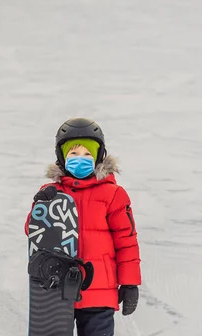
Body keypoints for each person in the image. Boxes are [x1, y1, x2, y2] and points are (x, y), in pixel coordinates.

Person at [26, 118, 141, 336]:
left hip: (99, 292)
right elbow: (35, 235)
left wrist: (129, 283)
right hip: (57, 293)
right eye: (74, 154)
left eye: (88, 154)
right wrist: (41, 206)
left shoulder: (113, 195)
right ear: (62, 157)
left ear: (99, 156)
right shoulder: (52, 192)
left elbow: (127, 242)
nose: (81, 160)